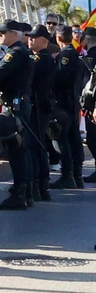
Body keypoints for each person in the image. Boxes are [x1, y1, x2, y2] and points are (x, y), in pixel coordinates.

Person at [0, 21, 37, 210]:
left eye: (3, 33)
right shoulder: (23, 52)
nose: (0, 36)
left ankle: (20, 193)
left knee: (17, 149)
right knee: (21, 148)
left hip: (15, 104)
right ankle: (26, 191)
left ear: (14, 34)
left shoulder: (15, 53)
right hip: (20, 102)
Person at [52, 27, 85, 187]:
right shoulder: (74, 54)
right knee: (73, 137)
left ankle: (68, 175)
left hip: (64, 101)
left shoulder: (66, 54)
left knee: (62, 137)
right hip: (72, 100)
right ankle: (76, 174)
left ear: (58, 37)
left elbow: (61, 77)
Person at [27, 26, 57, 199]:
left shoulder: (42, 59)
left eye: (34, 38)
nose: (30, 40)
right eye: (30, 37)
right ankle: (40, 185)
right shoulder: (39, 58)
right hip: (39, 106)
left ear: (44, 41)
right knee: (36, 145)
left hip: (39, 107)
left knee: (35, 146)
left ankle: (39, 184)